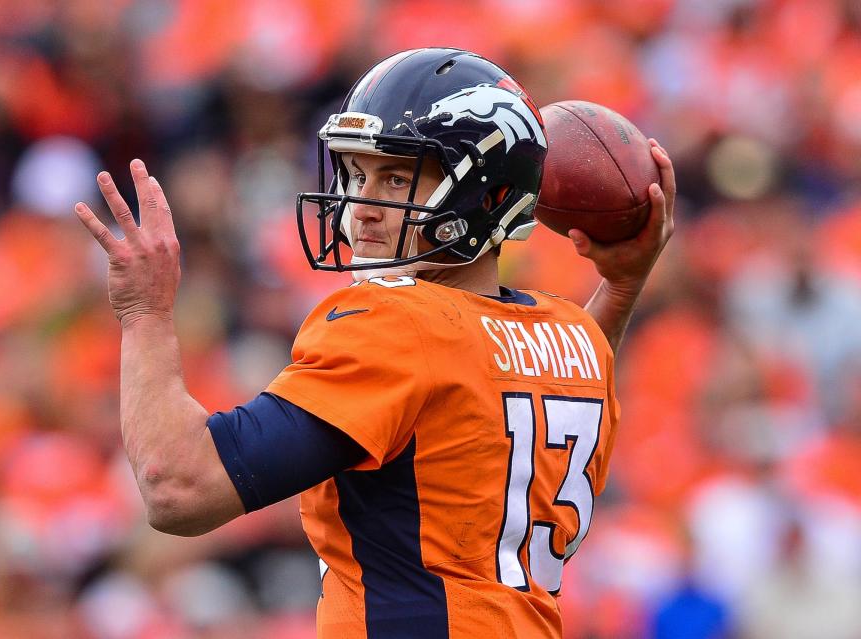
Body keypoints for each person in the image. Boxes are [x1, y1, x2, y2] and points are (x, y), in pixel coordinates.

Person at [74, 48, 675, 638]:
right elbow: (509, 370)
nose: (361, 207)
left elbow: (179, 489)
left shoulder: (400, 323)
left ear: (489, 196)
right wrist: (623, 285)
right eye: (358, 173)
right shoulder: (574, 337)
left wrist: (144, 311)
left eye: (397, 177)